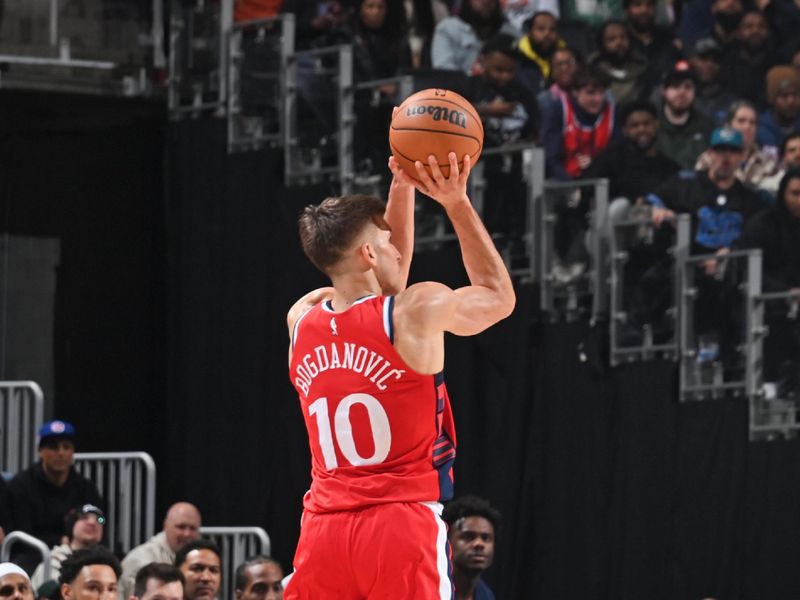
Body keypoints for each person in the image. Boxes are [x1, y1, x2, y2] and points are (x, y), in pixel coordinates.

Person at [283, 149, 515, 598]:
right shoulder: (417, 310)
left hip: (322, 530)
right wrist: (456, 202)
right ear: (369, 252)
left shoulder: (302, 318)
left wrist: (402, 186)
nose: (396, 249)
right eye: (385, 242)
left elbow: (383, 285)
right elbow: (497, 297)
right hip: (398, 522)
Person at [7, 421, 103, 572]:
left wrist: (96, 526)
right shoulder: (20, 486)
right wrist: (61, 541)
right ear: (40, 451)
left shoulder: (86, 487)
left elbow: (100, 519)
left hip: (80, 553)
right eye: (53, 447)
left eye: (66, 447)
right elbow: (21, 537)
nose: (60, 453)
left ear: (73, 451)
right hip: (34, 557)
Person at [542, 65, 615, 179]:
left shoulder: (611, 112)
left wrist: (595, 164)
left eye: (601, 93)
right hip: (562, 183)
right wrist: (571, 187)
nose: (598, 99)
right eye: (591, 93)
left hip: (600, 182)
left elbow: (616, 157)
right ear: (575, 92)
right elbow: (550, 160)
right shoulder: (558, 111)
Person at [119, 503, 201, 600]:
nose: (187, 534)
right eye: (181, 527)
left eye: (193, 528)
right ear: (165, 525)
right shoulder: (140, 559)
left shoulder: (197, 558)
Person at [695, 100, 779, 188]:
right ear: (728, 125)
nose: (747, 126)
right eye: (741, 121)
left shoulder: (769, 163)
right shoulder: (709, 159)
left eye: (752, 122)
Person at [654, 60, 714, 170]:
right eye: (675, 86)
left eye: (688, 87)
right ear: (664, 91)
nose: (682, 92)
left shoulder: (707, 127)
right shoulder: (652, 125)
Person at [31, 504, 106, 590]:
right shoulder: (53, 563)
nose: (92, 522)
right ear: (72, 525)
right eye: (84, 517)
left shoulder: (107, 565)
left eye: (100, 520)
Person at [431, 0, 516, 74]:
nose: (486, 2)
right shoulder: (448, 28)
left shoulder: (510, 32)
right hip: (458, 89)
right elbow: (443, 72)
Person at [442, 496, 500, 600]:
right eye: (468, 536)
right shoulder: (432, 589)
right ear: (448, 541)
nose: (479, 544)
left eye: (486, 538)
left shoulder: (486, 595)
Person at [588, 19, 651, 104]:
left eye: (623, 37)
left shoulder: (643, 67)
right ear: (602, 44)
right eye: (611, 39)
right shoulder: (592, 69)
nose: (619, 43)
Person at [515, 11, 566, 96]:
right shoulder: (516, 58)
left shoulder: (567, 60)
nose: (547, 34)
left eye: (552, 29)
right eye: (541, 29)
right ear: (529, 32)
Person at [688, 37, 738, 124]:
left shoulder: (731, 102)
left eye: (715, 60)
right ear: (691, 61)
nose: (709, 64)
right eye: (703, 59)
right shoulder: (680, 97)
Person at [756, 66, 800, 150]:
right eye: (784, 96)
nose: (791, 101)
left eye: (795, 95)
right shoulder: (760, 130)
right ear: (772, 99)